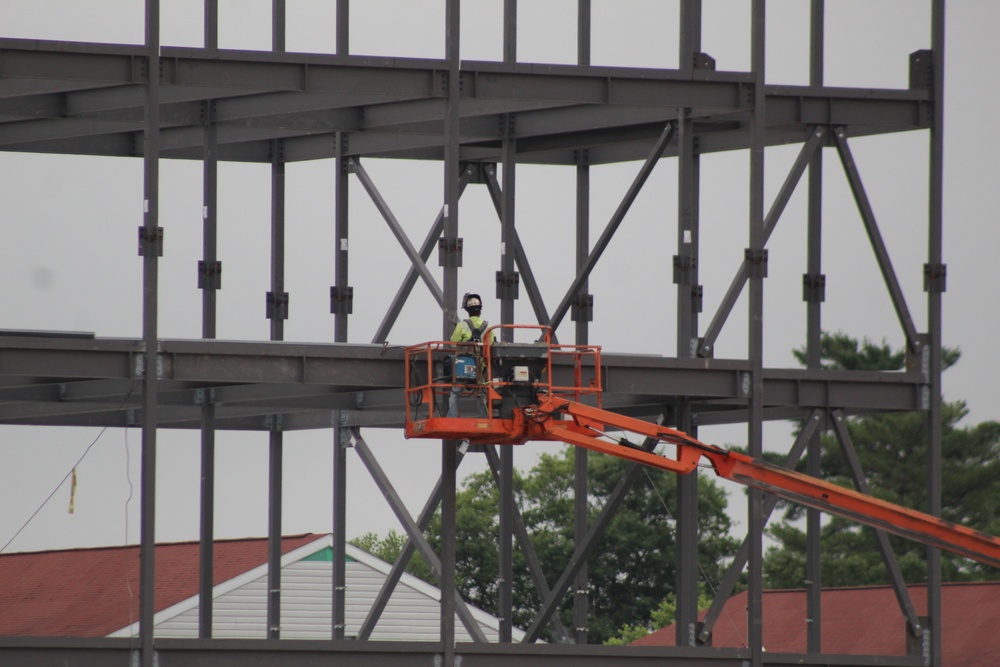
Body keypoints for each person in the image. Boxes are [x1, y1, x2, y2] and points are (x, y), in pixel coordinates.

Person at [447, 293, 494, 417]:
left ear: (468, 311)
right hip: (481, 368)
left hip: (463, 366)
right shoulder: (488, 327)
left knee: (455, 394)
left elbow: (452, 343)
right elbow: (492, 346)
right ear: (480, 310)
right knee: (480, 394)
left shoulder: (462, 325)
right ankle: (485, 418)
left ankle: (452, 418)